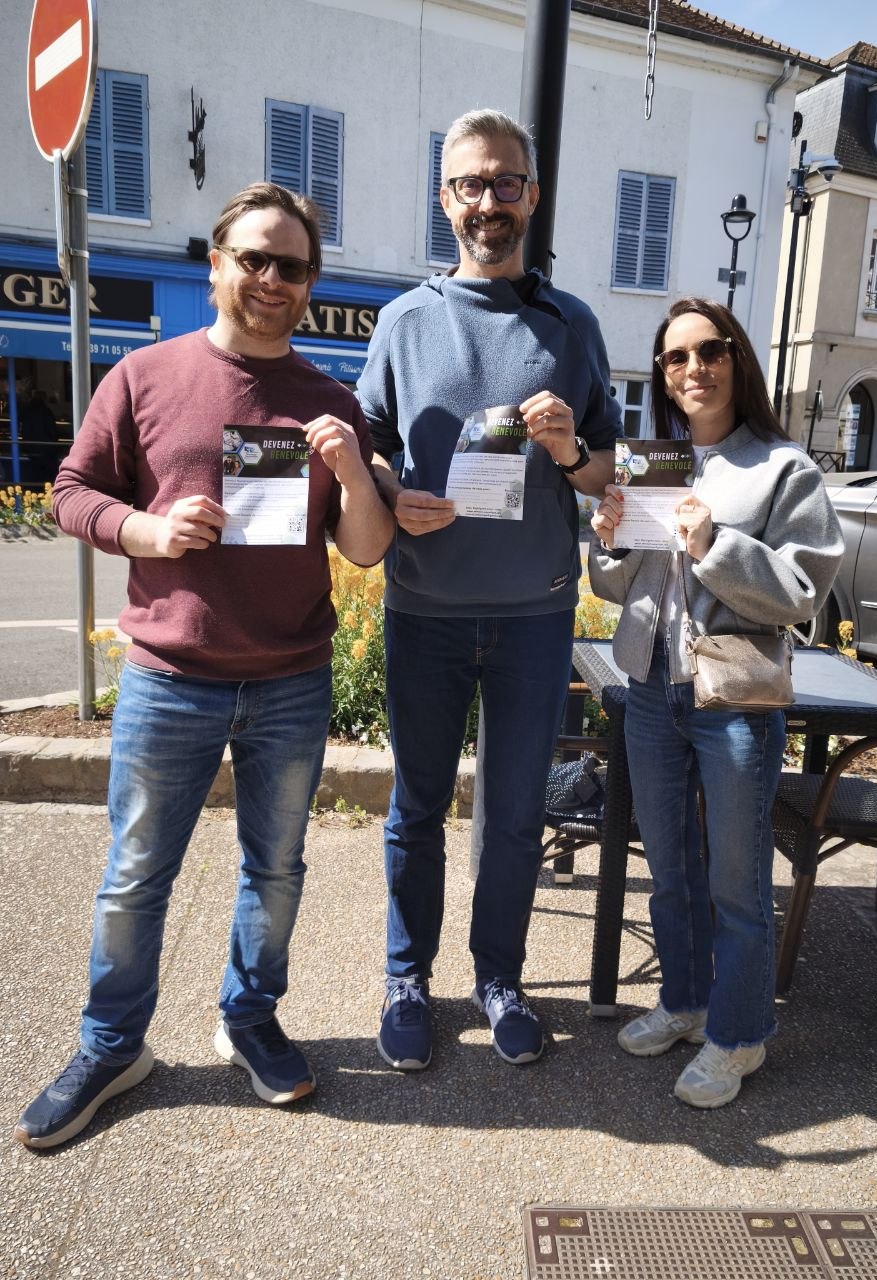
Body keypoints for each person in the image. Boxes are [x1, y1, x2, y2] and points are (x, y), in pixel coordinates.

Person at [15, 182, 393, 1149]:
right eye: (254, 258)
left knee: (276, 869)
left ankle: (249, 1018)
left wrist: (353, 471)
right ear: (217, 263)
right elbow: (71, 491)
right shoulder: (144, 374)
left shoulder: (330, 401)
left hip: (292, 677)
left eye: (291, 266)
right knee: (136, 873)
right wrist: (146, 529)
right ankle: (112, 1046)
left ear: (310, 283)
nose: (272, 278)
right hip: (168, 677)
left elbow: (363, 550)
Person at [357, 109, 620, 1071]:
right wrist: (392, 493)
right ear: (446, 198)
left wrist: (572, 450)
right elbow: (368, 446)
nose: (489, 200)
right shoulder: (403, 322)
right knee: (416, 809)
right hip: (424, 609)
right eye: (471, 183)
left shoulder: (572, 325)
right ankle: (406, 978)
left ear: (532, 195)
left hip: (535, 617)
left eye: (507, 181)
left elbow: (609, 475)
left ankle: (499, 978)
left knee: (513, 816)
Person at [589, 296, 843, 1108]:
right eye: (676, 357)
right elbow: (613, 586)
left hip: (733, 696)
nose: (693, 368)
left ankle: (739, 1036)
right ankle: (687, 1002)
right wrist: (608, 538)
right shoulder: (651, 461)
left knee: (736, 881)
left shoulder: (781, 467)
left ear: (737, 359)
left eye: (710, 351)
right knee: (670, 871)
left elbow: (802, 592)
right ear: (662, 373)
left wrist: (713, 543)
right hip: (650, 688)